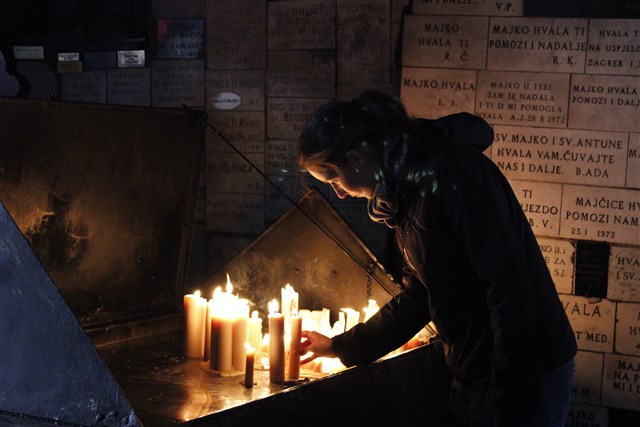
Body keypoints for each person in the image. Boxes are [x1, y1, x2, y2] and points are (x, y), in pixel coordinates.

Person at [296, 90, 577, 427]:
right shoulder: (404, 191)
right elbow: (419, 296)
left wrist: (509, 399)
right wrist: (341, 347)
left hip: (523, 371)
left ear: (356, 159)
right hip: (476, 368)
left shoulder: (455, 174)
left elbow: (508, 289)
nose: (339, 193)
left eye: (333, 179)